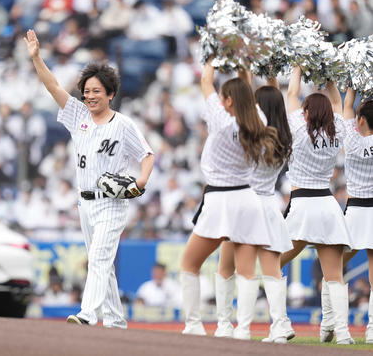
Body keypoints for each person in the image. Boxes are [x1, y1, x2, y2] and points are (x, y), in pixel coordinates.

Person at [24, 29, 154, 328]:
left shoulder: (123, 125)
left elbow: (147, 155)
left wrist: (141, 182)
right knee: (103, 264)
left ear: (110, 94)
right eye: (87, 90)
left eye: (97, 91)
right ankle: (115, 320)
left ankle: (87, 313)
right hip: (85, 203)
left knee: (97, 258)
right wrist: (37, 58)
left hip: (111, 203)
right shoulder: (78, 115)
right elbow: (53, 85)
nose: (90, 95)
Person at [180, 58, 278, 339]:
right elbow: (245, 90)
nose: (220, 102)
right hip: (247, 198)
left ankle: (194, 325)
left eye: (224, 98)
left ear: (229, 101)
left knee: (189, 264)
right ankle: (243, 330)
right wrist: (243, 62)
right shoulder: (259, 119)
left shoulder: (221, 120)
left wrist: (212, 54)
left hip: (220, 199)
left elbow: (205, 81)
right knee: (247, 272)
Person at [215, 71, 294, 343]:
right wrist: (269, 77)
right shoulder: (284, 137)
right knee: (271, 270)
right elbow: (279, 101)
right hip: (270, 205)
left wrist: (245, 74)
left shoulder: (253, 136)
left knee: (227, 267)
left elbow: (243, 107)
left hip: (244, 203)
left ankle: (230, 326)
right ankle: (281, 325)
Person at [280, 67, 354, 345]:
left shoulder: (299, 128)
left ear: (308, 112)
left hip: (302, 206)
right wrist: (330, 76)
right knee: (334, 276)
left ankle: (281, 324)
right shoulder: (338, 132)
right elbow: (338, 103)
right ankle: (343, 334)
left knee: (273, 263)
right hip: (328, 205)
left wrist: (298, 68)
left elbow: (291, 93)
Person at [341, 89, 373, 344]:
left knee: (333, 267)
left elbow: (347, 107)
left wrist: (351, 86)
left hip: (354, 211)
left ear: (361, 121)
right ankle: (372, 329)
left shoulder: (351, 142)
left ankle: (334, 325)